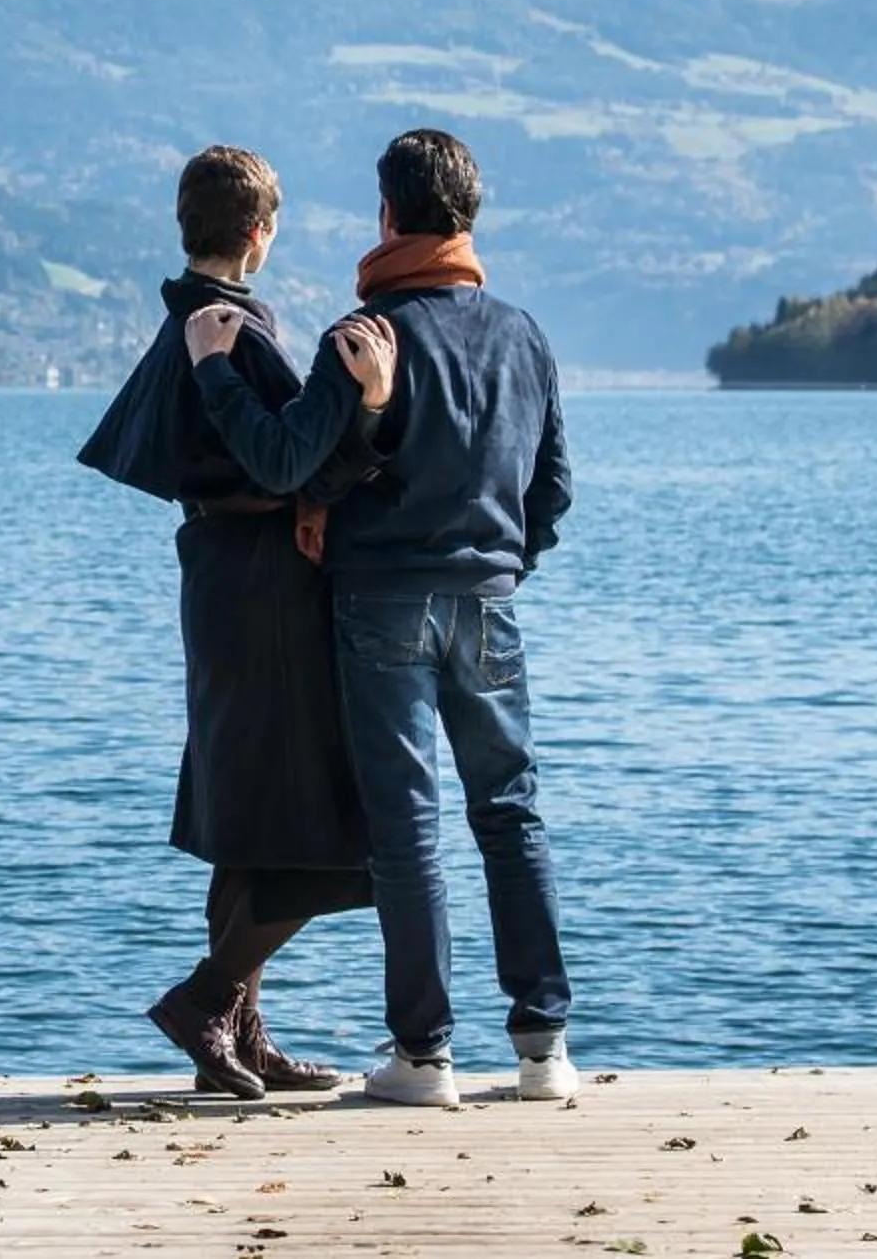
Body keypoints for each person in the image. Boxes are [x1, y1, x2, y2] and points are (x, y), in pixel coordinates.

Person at [188, 128, 576, 1108]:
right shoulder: (524, 335)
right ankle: (543, 1050)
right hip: (489, 603)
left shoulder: (363, 337)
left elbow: (296, 467)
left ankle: (424, 1057)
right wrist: (500, 562)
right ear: (470, 218)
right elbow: (553, 493)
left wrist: (234, 383)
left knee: (408, 829)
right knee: (511, 813)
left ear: (388, 217)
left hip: (383, 602)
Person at [78, 145, 398, 1099]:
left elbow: (274, 465)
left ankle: (244, 1035)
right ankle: (208, 999)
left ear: (190, 225)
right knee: (312, 817)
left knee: (251, 817)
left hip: (221, 576)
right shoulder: (228, 333)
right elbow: (289, 462)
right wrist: (367, 412)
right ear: (262, 233)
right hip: (264, 589)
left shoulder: (185, 324)